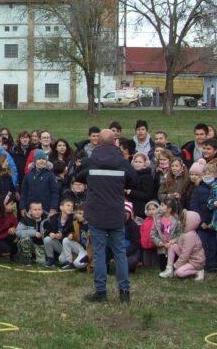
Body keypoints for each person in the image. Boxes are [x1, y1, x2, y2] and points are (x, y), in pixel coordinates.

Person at [77, 129, 137, 303]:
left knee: (99, 253)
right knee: (120, 253)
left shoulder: (91, 160)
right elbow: (134, 180)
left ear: (98, 142)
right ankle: (124, 292)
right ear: (114, 141)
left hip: (96, 214)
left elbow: (78, 177)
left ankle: (101, 292)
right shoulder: (122, 161)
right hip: (116, 214)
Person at [188, 160, 217, 271]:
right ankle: (201, 264)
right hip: (202, 223)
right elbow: (194, 207)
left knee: (214, 245)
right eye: (205, 173)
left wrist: (212, 222)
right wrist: (202, 222)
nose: (207, 176)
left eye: (210, 173)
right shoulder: (198, 190)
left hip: (215, 223)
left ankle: (212, 265)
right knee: (202, 244)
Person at [165, 210, 206, 280]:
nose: (179, 222)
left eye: (181, 221)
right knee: (172, 246)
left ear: (188, 223)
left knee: (179, 273)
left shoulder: (190, 236)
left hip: (196, 261)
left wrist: (176, 265)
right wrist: (174, 241)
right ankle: (169, 268)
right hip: (189, 258)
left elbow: (185, 254)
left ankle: (198, 271)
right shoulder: (185, 232)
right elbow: (180, 240)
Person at [19, 149, 59, 218]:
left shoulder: (50, 175)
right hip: (30, 209)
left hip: (46, 209)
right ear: (35, 161)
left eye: (43, 159)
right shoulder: (28, 175)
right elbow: (23, 192)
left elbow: (55, 193)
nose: (41, 161)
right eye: (39, 159)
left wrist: (53, 208)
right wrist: (22, 207)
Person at [153, 198, 182, 274]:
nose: (160, 207)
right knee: (162, 268)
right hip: (162, 249)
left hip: (172, 248)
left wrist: (173, 241)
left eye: (162, 205)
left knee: (174, 268)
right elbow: (153, 234)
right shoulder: (157, 220)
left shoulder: (176, 221)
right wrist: (159, 242)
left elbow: (180, 234)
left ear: (169, 209)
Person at [15, 201, 48, 266]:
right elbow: (18, 232)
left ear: (42, 210)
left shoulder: (46, 220)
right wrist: (34, 233)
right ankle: (27, 258)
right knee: (25, 237)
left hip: (41, 246)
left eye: (39, 209)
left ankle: (35, 256)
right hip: (29, 244)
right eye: (35, 210)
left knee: (41, 263)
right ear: (30, 211)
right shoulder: (25, 219)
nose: (37, 211)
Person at [126, 153, 155, 219]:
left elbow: (147, 195)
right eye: (136, 162)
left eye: (140, 162)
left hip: (140, 209)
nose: (137, 164)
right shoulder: (130, 174)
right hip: (129, 206)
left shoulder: (147, 177)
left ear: (145, 163)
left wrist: (131, 192)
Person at [140, 200, 160, 268]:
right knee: (146, 263)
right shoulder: (146, 220)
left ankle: (155, 266)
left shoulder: (158, 220)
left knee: (154, 261)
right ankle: (147, 266)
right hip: (145, 244)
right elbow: (142, 230)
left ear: (158, 209)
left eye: (153, 209)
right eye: (149, 209)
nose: (151, 211)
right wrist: (142, 240)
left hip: (154, 244)